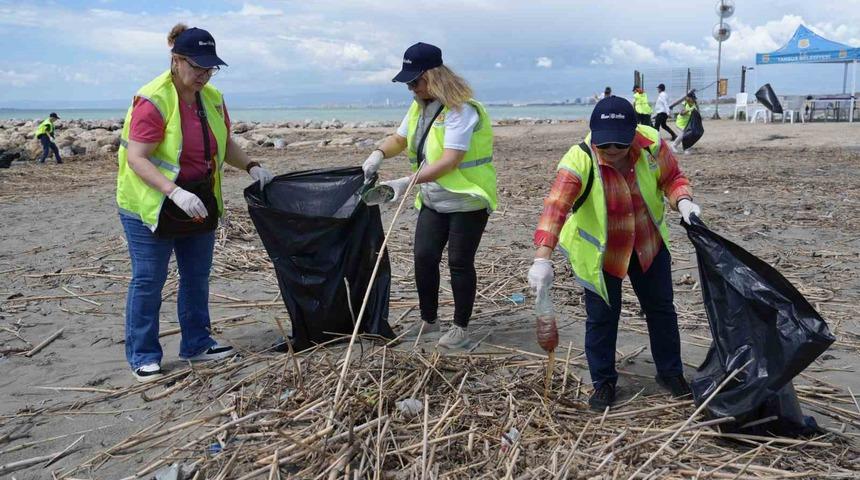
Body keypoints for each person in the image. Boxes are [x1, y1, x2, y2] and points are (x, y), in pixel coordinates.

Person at [116, 24, 274, 382]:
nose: (204, 74)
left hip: (199, 200)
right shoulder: (154, 99)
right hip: (150, 204)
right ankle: (143, 354)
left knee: (196, 276)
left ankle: (197, 343)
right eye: (197, 66)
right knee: (148, 279)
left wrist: (251, 165)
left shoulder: (213, 97)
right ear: (176, 60)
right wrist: (174, 192)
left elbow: (225, 142)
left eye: (210, 67)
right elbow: (137, 159)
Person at [527, 96, 701, 411]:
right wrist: (542, 258)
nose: (610, 151)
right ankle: (603, 382)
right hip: (602, 254)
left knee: (661, 309)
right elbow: (555, 208)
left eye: (618, 145)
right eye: (603, 144)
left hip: (648, 244)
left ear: (632, 134)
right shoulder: (579, 159)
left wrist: (684, 201)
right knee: (602, 318)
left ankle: (670, 373)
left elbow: (672, 179)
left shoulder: (650, 144)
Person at [362, 42, 497, 349]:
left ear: (434, 76)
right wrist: (378, 154)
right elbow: (400, 138)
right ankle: (429, 321)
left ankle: (460, 327)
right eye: (408, 82)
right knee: (424, 257)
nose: (410, 88)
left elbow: (450, 159)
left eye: (414, 81)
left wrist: (404, 183)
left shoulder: (461, 110)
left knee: (460, 263)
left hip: (467, 199)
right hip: (434, 199)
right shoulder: (419, 107)